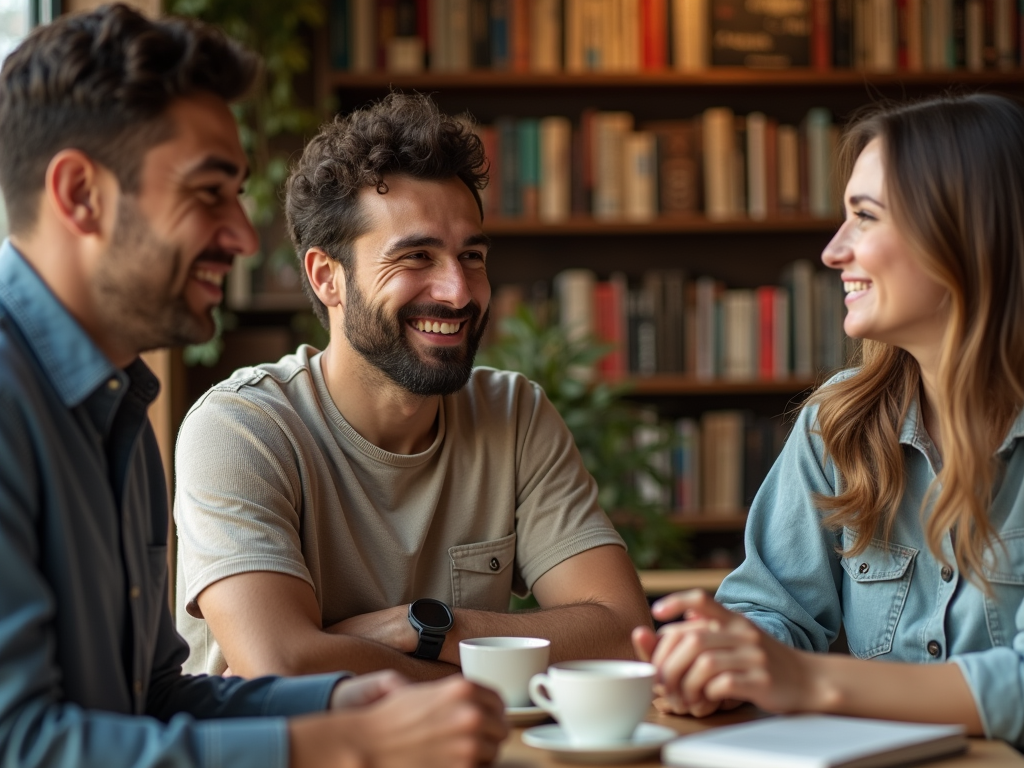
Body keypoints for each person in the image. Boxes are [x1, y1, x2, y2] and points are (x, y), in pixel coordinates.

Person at [0, 6, 507, 767]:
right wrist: (341, 740)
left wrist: (342, 697)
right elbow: (20, 744)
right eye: (210, 194)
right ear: (80, 195)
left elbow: (154, 697)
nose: (242, 234)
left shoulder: (119, 409)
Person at [173, 92, 652, 681]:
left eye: (471, 256)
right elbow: (282, 666)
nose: (457, 291)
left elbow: (624, 636)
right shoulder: (242, 428)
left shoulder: (515, 414)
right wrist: (496, 668)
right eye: (416, 256)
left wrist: (419, 626)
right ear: (328, 277)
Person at [632, 92, 1024, 747]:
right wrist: (725, 663)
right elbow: (769, 605)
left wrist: (808, 680)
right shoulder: (838, 423)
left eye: (864, 218)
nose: (832, 251)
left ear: (963, 234)